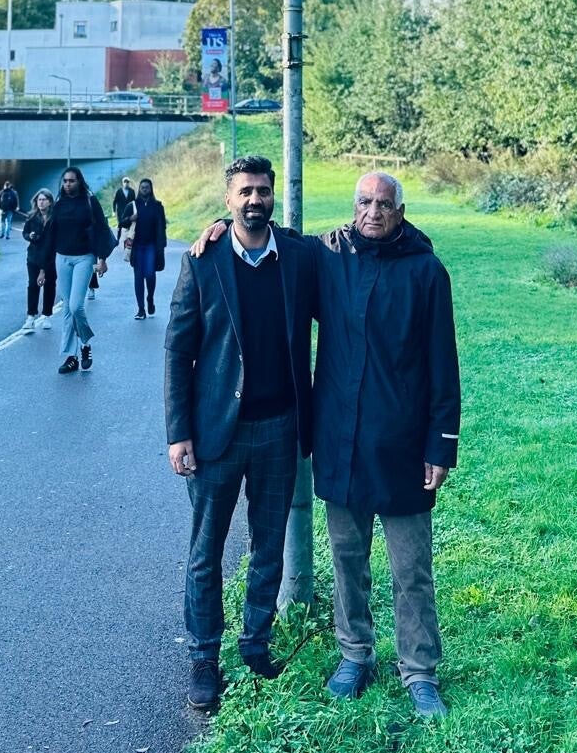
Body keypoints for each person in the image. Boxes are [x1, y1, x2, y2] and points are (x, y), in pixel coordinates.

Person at [191, 171, 461, 721]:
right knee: (347, 560)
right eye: (364, 201)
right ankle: (354, 654)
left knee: (411, 569)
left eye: (384, 204)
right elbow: (262, 234)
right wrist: (221, 224)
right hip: (340, 439)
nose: (373, 212)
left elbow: (444, 364)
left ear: (400, 210)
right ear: (353, 205)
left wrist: (441, 445)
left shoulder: (427, 272)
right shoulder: (327, 255)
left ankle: (419, 671)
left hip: (404, 445)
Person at [164, 156, 316, 711]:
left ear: (273, 196)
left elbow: (356, 239)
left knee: (268, 547)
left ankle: (255, 644)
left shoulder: (297, 256)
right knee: (205, 552)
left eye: (263, 190)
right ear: (228, 200)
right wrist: (178, 432)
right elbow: (178, 350)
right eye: (245, 191)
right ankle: (204, 657)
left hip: (279, 429)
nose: (255, 199)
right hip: (215, 435)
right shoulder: (202, 261)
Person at [37, 167, 112, 375]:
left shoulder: (90, 201)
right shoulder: (59, 204)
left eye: (72, 181)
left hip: (84, 258)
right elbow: (51, 236)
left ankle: (85, 345)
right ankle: (71, 357)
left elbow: (102, 229)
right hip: (62, 258)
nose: (68, 184)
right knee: (67, 310)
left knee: (75, 306)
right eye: (65, 181)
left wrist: (102, 259)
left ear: (79, 181)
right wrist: (43, 268)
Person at [126, 178, 167, 319]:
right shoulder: (133, 205)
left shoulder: (157, 206)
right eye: (142, 187)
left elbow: (162, 226)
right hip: (137, 246)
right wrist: (130, 218)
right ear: (139, 189)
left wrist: (162, 245)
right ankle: (141, 309)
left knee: (150, 274)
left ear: (151, 189)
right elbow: (122, 222)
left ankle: (150, 297)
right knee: (138, 277)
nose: (144, 189)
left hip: (151, 246)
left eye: (147, 187)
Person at [21, 189, 57, 333]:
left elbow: (53, 241)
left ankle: (46, 315)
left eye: (44, 200)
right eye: (39, 200)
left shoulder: (55, 218)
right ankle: (30, 317)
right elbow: (24, 233)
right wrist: (29, 236)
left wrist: (44, 269)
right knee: (33, 286)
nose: (41, 202)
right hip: (33, 257)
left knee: (49, 286)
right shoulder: (31, 217)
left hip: (50, 258)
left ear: (50, 202)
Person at [112, 177, 136, 248]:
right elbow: (115, 202)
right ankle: (117, 239)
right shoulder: (119, 191)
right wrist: (114, 211)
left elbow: (134, 202)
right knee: (120, 226)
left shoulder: (132, 191)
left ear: (129, 183)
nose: (126, 183)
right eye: (125, 182)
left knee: (129, 227)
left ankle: (128, 243)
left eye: (127, 182)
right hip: (120, 213)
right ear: (122, 183)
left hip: (129, 213)